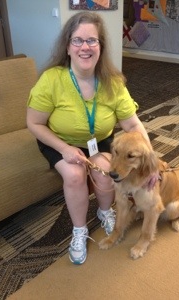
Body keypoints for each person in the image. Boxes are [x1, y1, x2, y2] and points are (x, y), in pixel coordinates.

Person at [27, 11, 153, 265]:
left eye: (92, 41)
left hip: (99, 140)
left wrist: (152, 162)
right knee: (74, 175)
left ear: (101, 46)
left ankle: (105, 211)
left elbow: (132, 123)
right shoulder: (51, 80)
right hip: (57, 140)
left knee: (106, 171)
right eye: (78, 40)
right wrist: (64, 148)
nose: (85, 47)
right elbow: (34, 123)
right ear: (68, 46)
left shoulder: (113, 81)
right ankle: (79, 230)